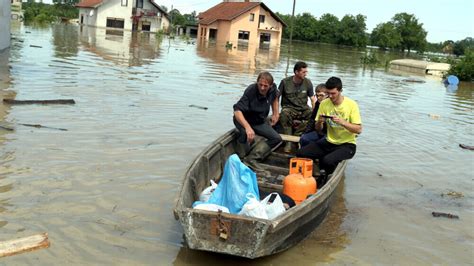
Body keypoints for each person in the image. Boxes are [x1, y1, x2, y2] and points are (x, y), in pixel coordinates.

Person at [296, 76, 362, 185]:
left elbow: (359, 130)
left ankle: (325, 177)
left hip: (347, 144)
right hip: (329, 141)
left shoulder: (351, 105)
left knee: (327, 160)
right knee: (301, 153)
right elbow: (318, 129)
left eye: (333, 93)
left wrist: (343, 122)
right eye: (328, 93)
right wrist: (319, 122)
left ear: (340, 91)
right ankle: (311, 174)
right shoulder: (324, 104)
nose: (330, 96)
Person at [233, 71, 282, 176]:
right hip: (243, 119)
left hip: (258, 121)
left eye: (265, 86)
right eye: (260, 85)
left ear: (270, 85)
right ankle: (241, 160)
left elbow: (275, 97)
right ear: (257, 82)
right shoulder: (251, 90)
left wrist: (275, 113)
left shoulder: (273, 89)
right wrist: (247, 127)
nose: (262, 88)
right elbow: (237, 111)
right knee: (244, 134)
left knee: (276, 138)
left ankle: (252, 159)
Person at [278, 61, 315, 152]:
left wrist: (315, 112)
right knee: (284, 113)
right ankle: (288, 142)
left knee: (311, 114)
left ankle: (297, 135)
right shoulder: (285, 82)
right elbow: (276, 98)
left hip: (303, 108)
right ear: (296, 72)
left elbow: (312, 99)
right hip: (289, 108)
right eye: (303, 72)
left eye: (306, 72)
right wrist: (275, 113)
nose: (305, 74)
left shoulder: (308, 82)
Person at [299, 83, 327, 148]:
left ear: (327, 95)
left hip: (328, 133)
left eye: (321, 95)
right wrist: (306, 132)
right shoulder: (318, 103)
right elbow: (312, 119)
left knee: (322, 142)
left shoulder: (330, 105)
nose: (319, 98)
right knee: (304, 138)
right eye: (317, 95)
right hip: (318, 130)